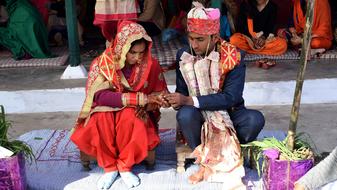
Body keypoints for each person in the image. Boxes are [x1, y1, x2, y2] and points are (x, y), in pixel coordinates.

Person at [164, 2, 264, 187]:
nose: (194, 44)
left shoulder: (234, 57)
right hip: (198, 115)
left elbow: (231, 97)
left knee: (255, 120)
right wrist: (175, 100)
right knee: (184, 114)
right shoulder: (183, 55)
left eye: (200, 40)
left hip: (229, 113)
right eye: (191, 38)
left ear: (215, 37)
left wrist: (187, 100)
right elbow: (182, 92)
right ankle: (203, 157)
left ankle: (229, 150)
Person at [70, 21, 169, 189]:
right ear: (121, 48)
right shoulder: (102, 63)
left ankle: (124, 166)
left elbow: (160, 92)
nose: (137, 58)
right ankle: (109, 167)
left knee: (132, 118)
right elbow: (99, 96)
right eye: (132, 53)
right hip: (105, 108)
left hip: (134, 110)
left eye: (141, 53)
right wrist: (139, 99)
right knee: (101, 119)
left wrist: (160, 99)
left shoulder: (150, 65)